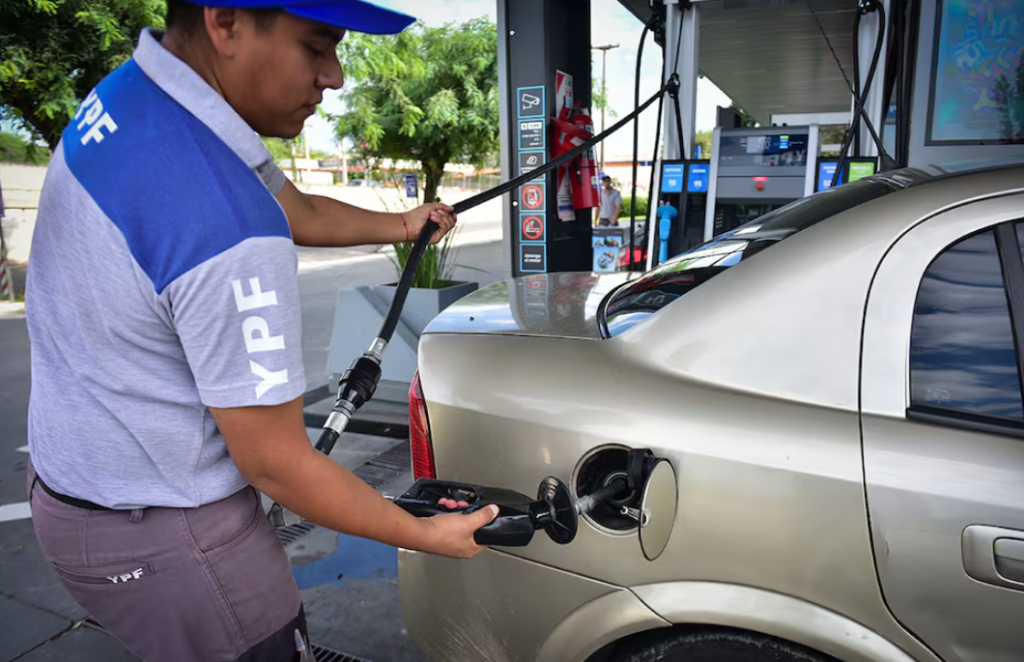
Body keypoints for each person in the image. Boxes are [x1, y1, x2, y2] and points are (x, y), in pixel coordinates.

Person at [24, 1, 498, 660]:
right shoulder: (224, 221)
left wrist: (402, 224)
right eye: (316, 46)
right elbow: (277, 463)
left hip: (80, 493)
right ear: (224, 22)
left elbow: (296, 207)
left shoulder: (136, 97)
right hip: (169, 535)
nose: (333, 76)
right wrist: (427, 536)